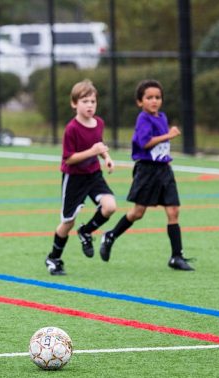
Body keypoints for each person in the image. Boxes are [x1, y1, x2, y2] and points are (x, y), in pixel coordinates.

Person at [99, 79, 194, 271]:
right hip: (147, 171)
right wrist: (169, 135)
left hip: (164, 170)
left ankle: (176, 256)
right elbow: (145, 142)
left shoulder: (162, 117)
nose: (154, 101)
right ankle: (110, 235)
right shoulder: (143, 119)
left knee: (173, 211)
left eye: (158, 97)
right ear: (139, 102)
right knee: (138, 213)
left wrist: (166, 140)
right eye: (149, 97)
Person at [44, 79, 116, 276]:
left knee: (110, 206)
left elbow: (99, 145)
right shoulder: (72, 129)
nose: (90, 105)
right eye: (85, 101)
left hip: (94, 175)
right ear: (74, 103)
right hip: (74, 178)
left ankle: (86, 232)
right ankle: (54, 258)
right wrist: (93, 151)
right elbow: (70, 158)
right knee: (68, 222)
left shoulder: (99, 123)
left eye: (93, 101)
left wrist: (106, 157)